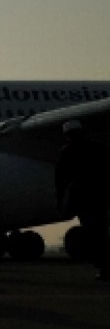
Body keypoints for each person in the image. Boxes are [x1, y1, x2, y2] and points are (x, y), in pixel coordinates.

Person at [56, 120, 110, 280]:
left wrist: (59, 200)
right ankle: (106, 266)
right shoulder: (100, 148)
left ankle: (103, 267)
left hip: (83, 197)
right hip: (100, 196)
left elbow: (61, 179)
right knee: (102, 232)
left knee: (92, 233)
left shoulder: (67, 151)